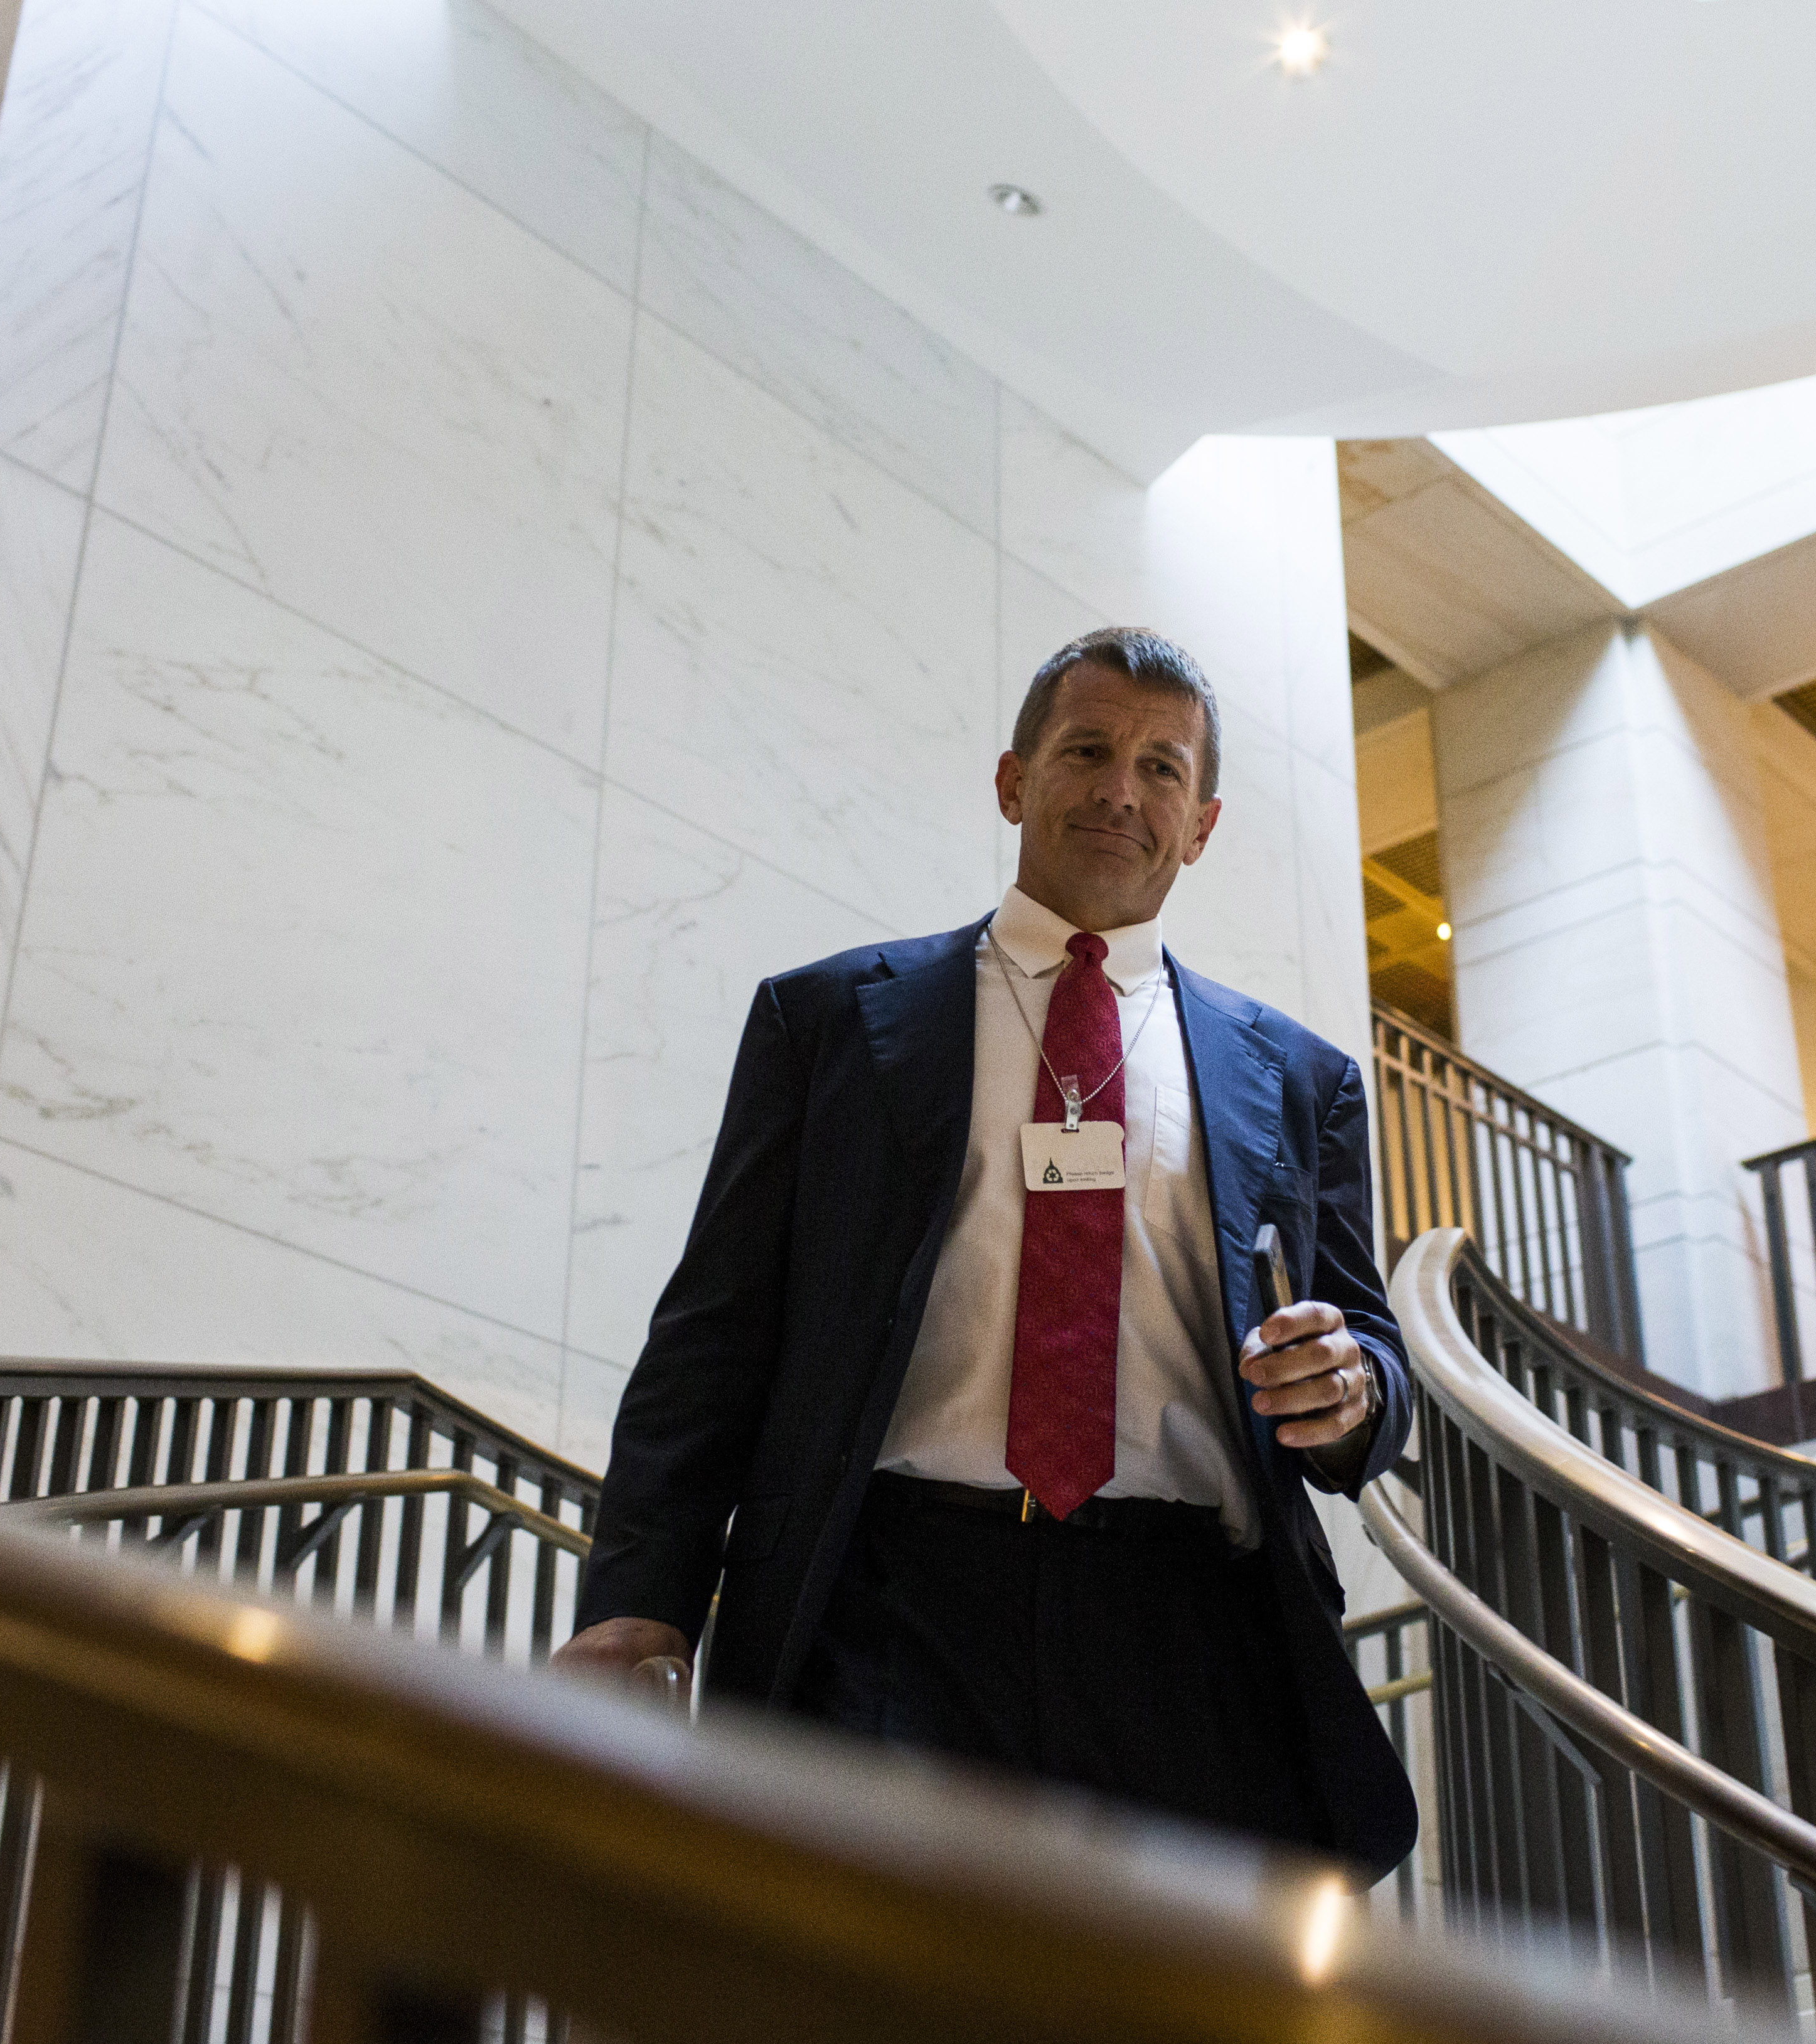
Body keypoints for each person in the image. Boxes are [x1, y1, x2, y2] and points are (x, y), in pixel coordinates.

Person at [555, 625, 1417, 1876]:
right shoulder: (828, 1024)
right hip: (891, 1605)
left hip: (1188, 1628)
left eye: (1162, 769)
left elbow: (1368, 1361)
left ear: (1202, 823)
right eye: (1086, 749)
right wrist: (641, 1597)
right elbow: (715, 1333)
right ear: (1013, 780)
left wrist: (1350, 1391)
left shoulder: (1299, 1081)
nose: (1122, 790)